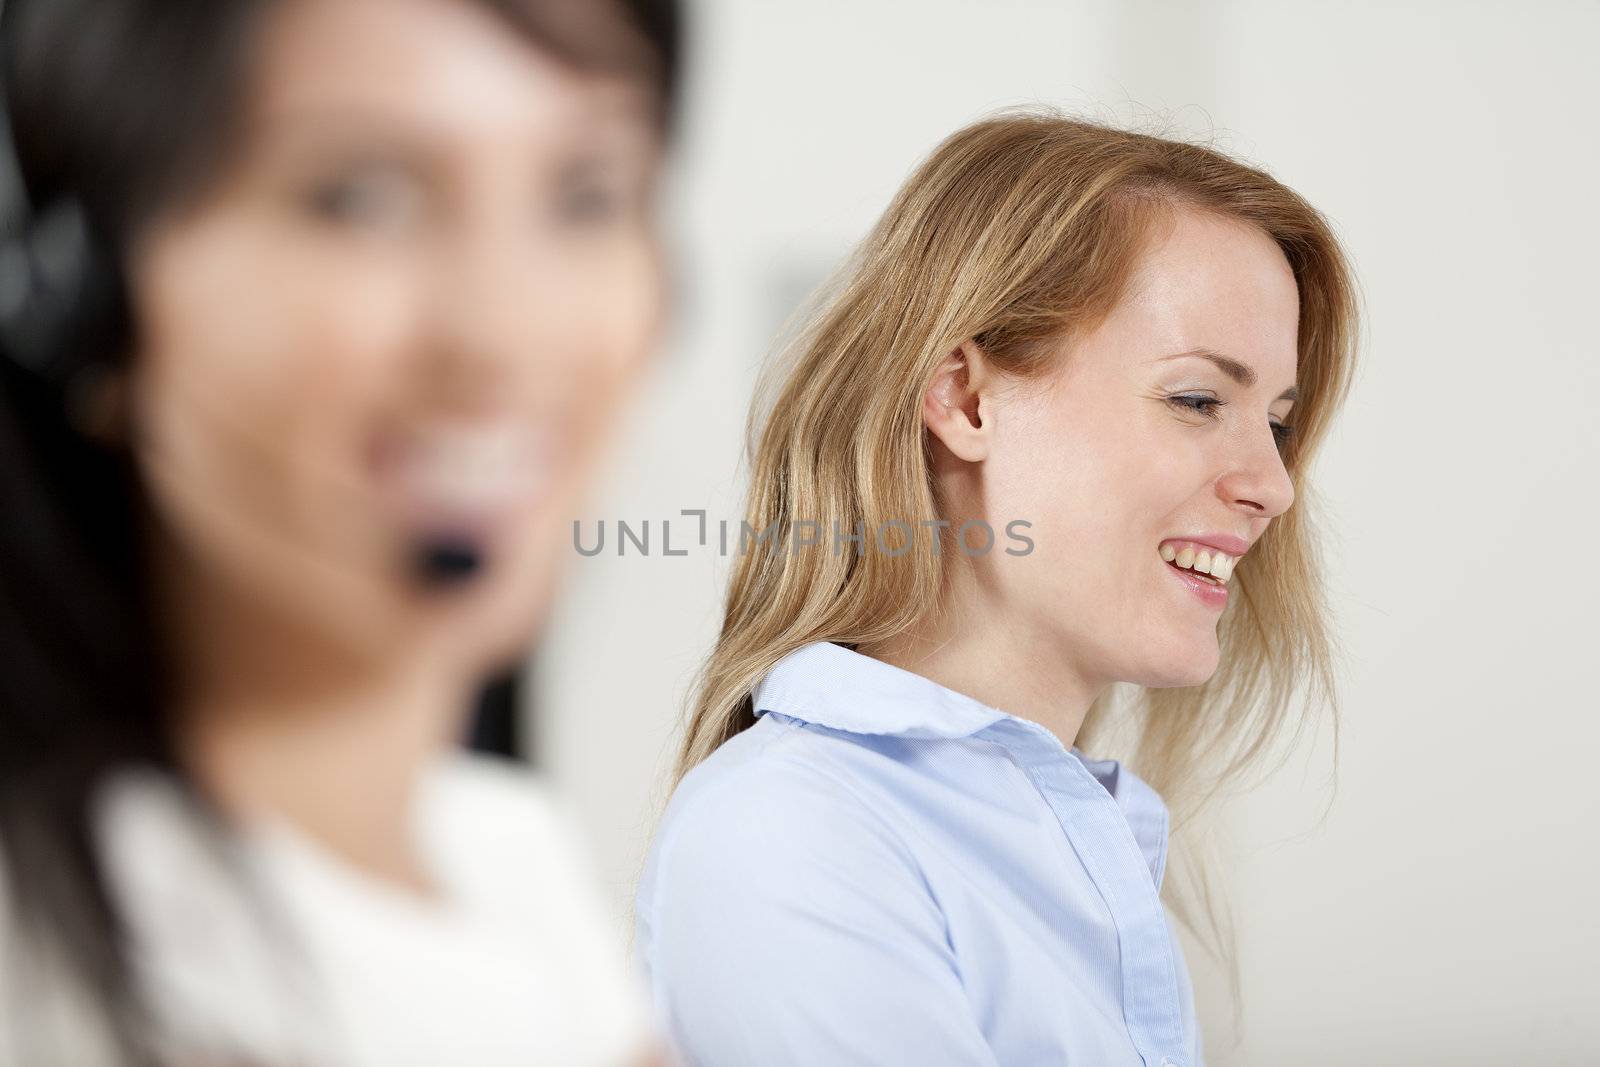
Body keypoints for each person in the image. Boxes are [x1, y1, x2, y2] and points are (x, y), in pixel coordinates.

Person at [0, 0, 680, 1064]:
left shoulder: (505, 851)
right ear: (87, 302)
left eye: (586, 195)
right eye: (361, 199)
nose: (501, 335)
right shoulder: (55, 981)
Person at [637, 112, 1359, 1066]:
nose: (1272, 483)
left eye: (1276, 420)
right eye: (1197, 400)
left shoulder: (1079, 849)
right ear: (966, 400)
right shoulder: (793, 833)